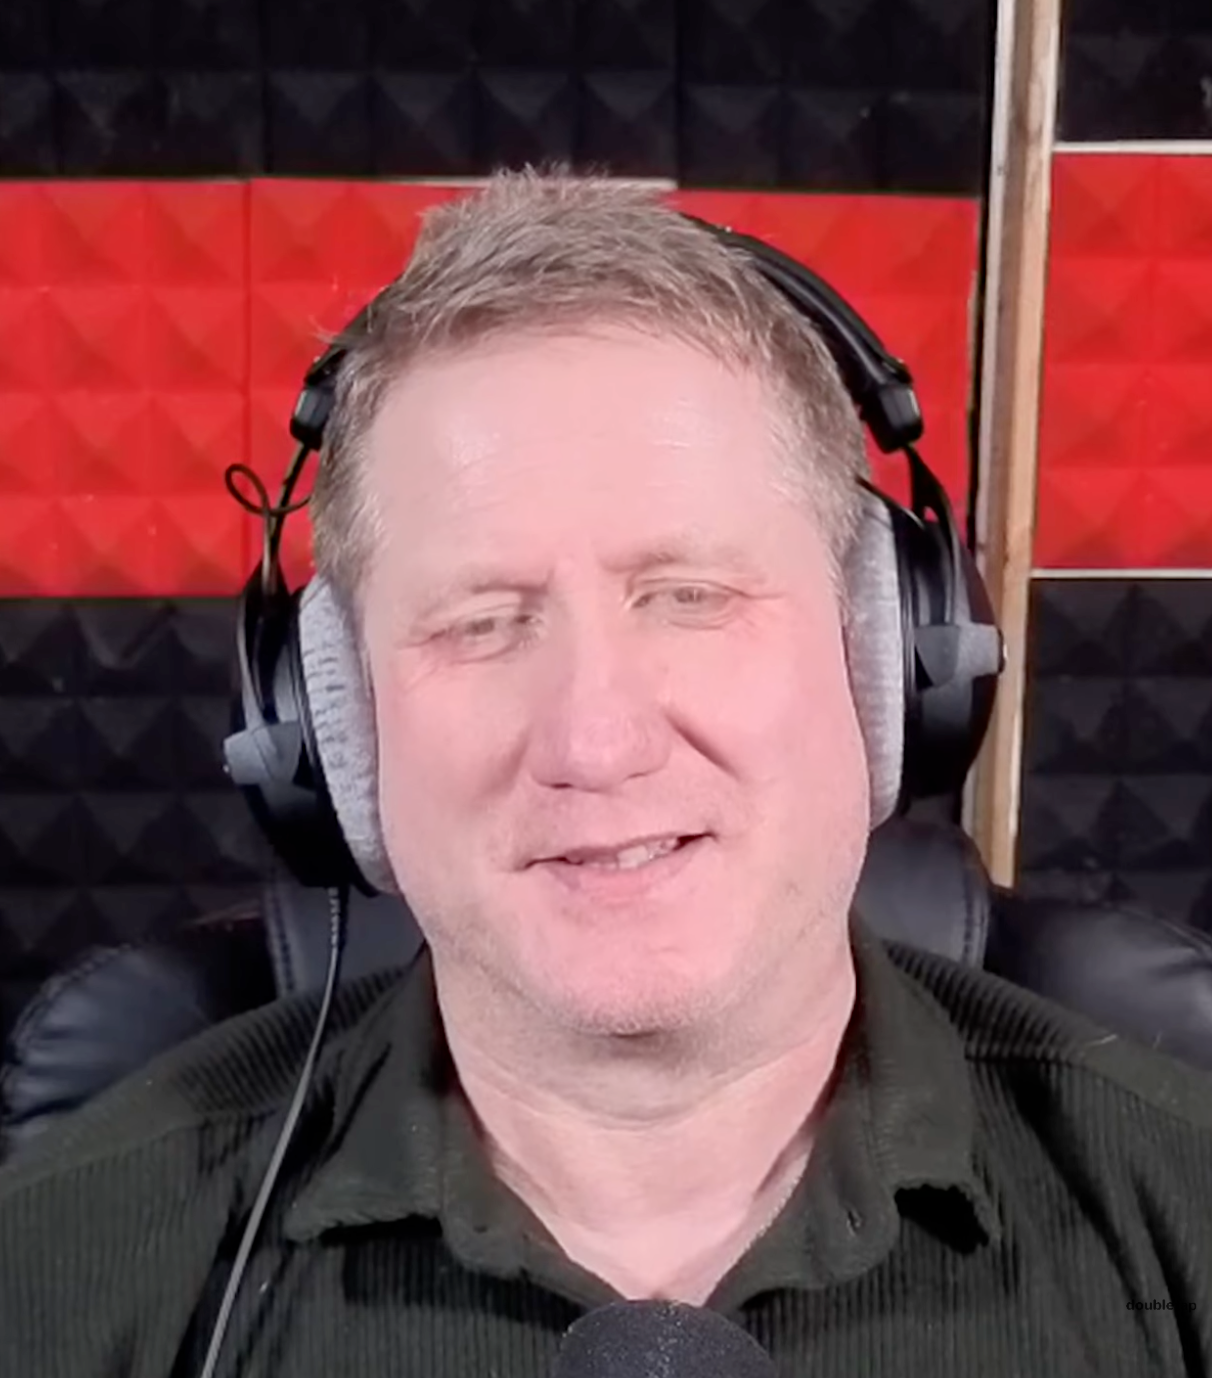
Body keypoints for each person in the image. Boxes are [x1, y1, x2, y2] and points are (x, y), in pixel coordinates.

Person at [2, 167, 1212, 1378]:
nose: (596, 739)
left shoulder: (1181, 1214)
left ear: (891, 659)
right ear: (331, 726)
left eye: (689, 597)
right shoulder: (58, 1273)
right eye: (480, 621)